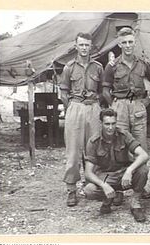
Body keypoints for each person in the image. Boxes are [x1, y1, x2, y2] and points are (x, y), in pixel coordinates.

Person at [60, 32, 103, 207]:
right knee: (73, 151)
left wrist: (96, 103)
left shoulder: (98, 67)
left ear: (91, 46)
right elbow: (63, 91)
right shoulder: (68, 67)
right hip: (76, 107)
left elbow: (102, 89)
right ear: (76, 46)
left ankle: (93, 185)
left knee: (94, 148)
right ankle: (71, 189)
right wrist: (71, 105)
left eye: (87, 45)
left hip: (93, 108)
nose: (84, 48)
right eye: (81, 45)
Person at [83, 108, 149, 222]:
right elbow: (88, 172)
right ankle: (109, 197)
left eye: (113, 123)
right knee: (89, 190)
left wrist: (129, 171)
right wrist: (103, 185)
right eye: (107, 124)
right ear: (101, 123)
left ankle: (135, 202)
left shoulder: (124, 135)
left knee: (143, 170)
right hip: (107, 176)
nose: (110, 127)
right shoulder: (94, 141)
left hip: (124, 173)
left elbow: (143, 155)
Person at [102, 27, 150, 151]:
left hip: (138, 105)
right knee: (121, 143)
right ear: (119, 44)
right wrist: (114, 105)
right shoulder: (112, 66)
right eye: (124, 42)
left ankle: (141, 169)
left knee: (140, 143)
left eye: (130, 42)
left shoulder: (143, 64)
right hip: (120, 106)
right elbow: (105, 90)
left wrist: (148, 100)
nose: (128, 45)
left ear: (135, 42)